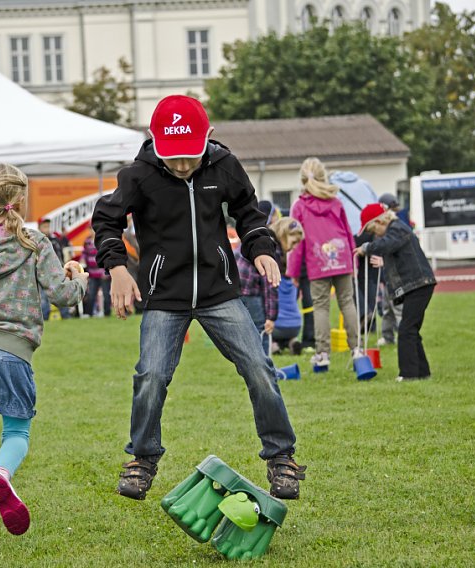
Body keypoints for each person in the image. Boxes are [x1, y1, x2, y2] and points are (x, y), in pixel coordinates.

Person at [92, 94, 305, 501]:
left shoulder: (224, 165)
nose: (183, 165)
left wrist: (261, 248)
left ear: (207, 138)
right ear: (156, 143)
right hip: (164, 295)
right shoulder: (138, 175)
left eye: (191, 156)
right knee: (151, 376)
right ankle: (142, 458)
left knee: (260, 367)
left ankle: (282, 458)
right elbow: (106, 220)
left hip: (218, 291)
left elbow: (248, 212)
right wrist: (117, 267)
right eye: (175, 158)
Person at [0, 163, 87, 543]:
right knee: (17, 431)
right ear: (20, 199)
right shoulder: (35, 242)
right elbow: (62, 296)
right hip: (14, 352)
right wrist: (80, 279)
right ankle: (1, 475)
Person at [287, 157, 361, 370]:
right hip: (342, 259)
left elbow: (297, 242)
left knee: (320, 306)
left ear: (303, 180)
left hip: (317, 262)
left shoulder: (299, 206)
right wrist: (352, 262)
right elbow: (347, 233)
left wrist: (292, 271)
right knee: (347, 302)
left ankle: (322, 354)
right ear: (323, 176)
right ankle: (356, 349)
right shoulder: (336, 203)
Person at [355, 203, 436, 381]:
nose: (374, 235)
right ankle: (422, 372)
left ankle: (408, 374)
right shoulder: (397, 230)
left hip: (419, 285)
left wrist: (366, 248)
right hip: (418, 285)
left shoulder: (397, 229)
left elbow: (387, 244)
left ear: (379, 221)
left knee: (406, 329)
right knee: (411, 329)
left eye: (372, 229)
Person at [234, 227, 279, 356]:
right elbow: (270, 286)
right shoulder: (267, 251)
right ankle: (264, 366)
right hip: (252, 296)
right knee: (261, 330)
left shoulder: (244, 242)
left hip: (235, 293)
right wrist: (271, 317)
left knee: (245, 334)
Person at [270, 217, 305, 355]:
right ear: (284, 235)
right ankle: (292, 341)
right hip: (296, 325)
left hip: (276, 325)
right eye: (294, 242)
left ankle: (273, 345)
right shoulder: (291, 274)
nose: (295, 247)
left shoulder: (273, 258)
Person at [376, 193, 404, 346]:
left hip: (397, 277)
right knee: (387, 308)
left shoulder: (397, 227)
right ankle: (387, 337)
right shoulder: (382, 227)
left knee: (398, 308)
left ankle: (404, 336)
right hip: (387, 277)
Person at [38, 217, 73, 319]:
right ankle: (44, 318)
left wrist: (63, 267)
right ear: (39, 227)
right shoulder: (38, 240)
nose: (47, 229)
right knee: (44, 298)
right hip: (43, 273)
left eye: (48, 226)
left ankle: (66, 316)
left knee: (61, 294)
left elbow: (60, 254)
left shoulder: (55, 239)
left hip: (58, 272)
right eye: (44, 226)